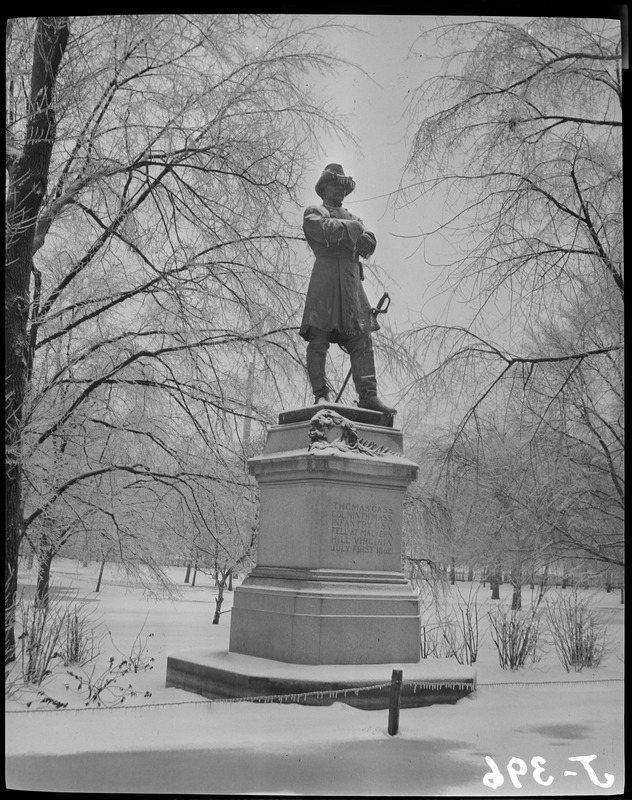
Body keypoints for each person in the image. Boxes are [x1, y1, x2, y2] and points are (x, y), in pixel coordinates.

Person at [299, 163, 396, 415]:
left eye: (343, 186)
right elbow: (320, 230)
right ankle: (321, 395)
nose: (340, 191)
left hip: (352, 286)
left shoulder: (353, 217)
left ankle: (368, 395)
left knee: (362, 339)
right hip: (325, 283)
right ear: (323, 188)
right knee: (318, 338)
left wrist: (347, 233)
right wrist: (352, 232)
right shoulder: (314, 212)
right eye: (335, 185)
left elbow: (369, 243)